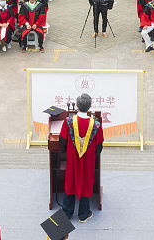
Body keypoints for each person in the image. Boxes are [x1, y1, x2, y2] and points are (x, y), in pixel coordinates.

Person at [58, 93, 103, 222]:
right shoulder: (96, 125)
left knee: (71, 182)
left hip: (73, 160)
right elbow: (99, 147)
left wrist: (70, 151)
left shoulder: (69, 122)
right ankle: (83, 214)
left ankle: (67, 213)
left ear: (76, 106)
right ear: (89, 107)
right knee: (86, 183)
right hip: (88, 162)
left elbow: (62, 142)